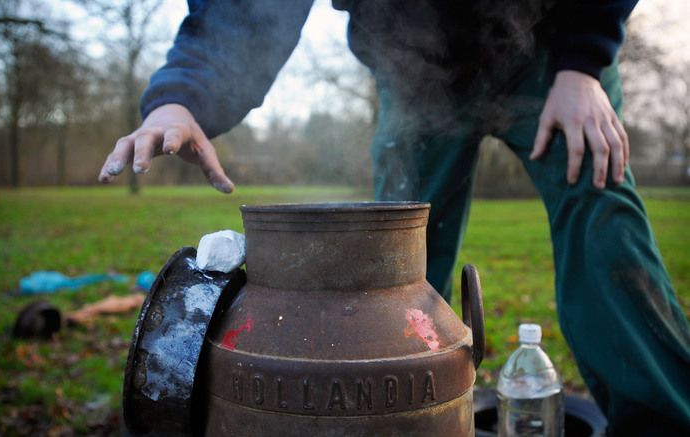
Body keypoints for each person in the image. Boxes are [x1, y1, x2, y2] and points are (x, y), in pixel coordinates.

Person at [99, 1, 690, 434]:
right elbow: (248, 10)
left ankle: (662, 418)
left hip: (553, 52)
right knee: (390, 255)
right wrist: (183, 95)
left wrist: (585, 64)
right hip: (416, 70)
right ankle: (398, 414)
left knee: (602, 218)